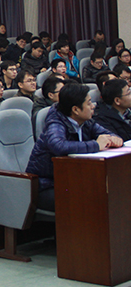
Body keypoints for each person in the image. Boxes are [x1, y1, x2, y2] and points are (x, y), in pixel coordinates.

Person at [26, 83, 122, 212]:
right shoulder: (56, 122)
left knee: (111, 192)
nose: (93, 106)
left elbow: (109, 134)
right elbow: (58, 145)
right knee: (90, 200)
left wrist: (114, 139)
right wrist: (96, 145)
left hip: (72, 180)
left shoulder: (86, 121)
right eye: (89, 103)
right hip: (46, 185)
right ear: (76, 110)